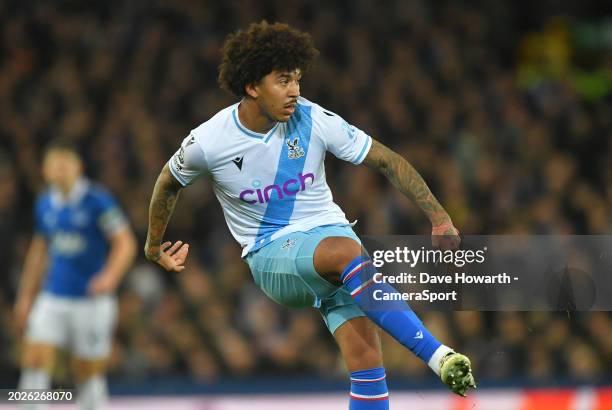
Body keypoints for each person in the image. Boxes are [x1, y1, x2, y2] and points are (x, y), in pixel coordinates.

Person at [144, 21, 475, 408]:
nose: (295, 91)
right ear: (252, 86)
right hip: (270, 256)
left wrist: (440, 218)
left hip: (332, 244)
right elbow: (168, 182)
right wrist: (153, 245)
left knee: (367, 366)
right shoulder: (210, 141)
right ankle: (439, 357)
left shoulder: (314, 118)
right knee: (345, 252)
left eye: (298, 80)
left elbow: (386, 160)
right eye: (283, 81)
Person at [14, 140, 137, 409]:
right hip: (53, 296)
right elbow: (40, 251)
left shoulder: (97, 201)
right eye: (54, 167)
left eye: (64, 166)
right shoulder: (45, 204)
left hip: (91, 301)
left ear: (77, 167)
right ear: (45, 171)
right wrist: (25, 296)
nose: (59, 172)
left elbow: (125, 242)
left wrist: (110, 277)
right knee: (34, 358)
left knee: (87, 371)